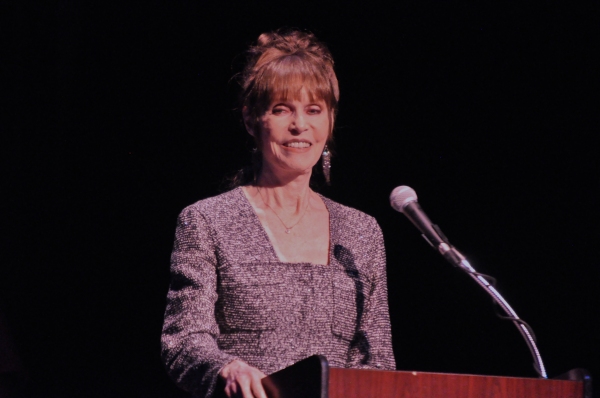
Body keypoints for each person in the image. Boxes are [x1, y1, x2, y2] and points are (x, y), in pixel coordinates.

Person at [161, 29, 395, 398]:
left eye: (313, 110)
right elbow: (184, 340)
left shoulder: (361, 231)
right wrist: (226, 368)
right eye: (282, 109)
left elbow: (377, 360)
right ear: (252, 120)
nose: (300, 125)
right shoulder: (207, 221)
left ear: (330, 121)